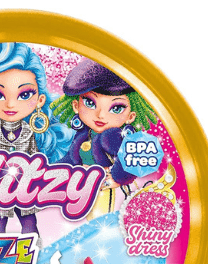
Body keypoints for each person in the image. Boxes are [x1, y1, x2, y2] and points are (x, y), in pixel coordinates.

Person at [0, 43, 72, 238]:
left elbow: (38, 155)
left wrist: (36, 172)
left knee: (29, 223)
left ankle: (35, 252)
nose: (10, 104)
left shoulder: (31, 130)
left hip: (25, 184)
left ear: (40, 100)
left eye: (24, 94)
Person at [51, 58, 158, 219]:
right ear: (76, 106)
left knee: (101, 220)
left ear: (131, 116)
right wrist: (52, 171)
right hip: (84, 185)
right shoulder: (83, 135)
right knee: (85, 220)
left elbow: (129, 159)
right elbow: (72, 158)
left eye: (116, 108)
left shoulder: (113, 137)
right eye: (90, 102)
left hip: (105, 188)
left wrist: (116, 178)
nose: (100, 115)